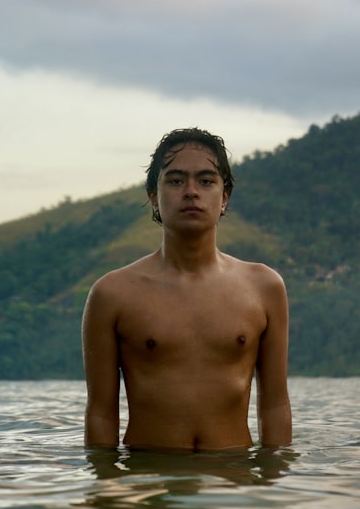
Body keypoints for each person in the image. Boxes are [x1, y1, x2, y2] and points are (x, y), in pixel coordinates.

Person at [82, 127, 292, 452]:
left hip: (234, 484)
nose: (191, 192)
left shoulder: (264, 287)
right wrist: (109, 492)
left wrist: (273, 490)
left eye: (206, 181)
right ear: (154, 195)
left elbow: (275, 404)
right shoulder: (113, 294)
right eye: (176, 180)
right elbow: (100, 412)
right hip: (149, 480)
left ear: (224, 197)